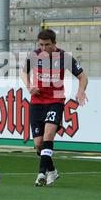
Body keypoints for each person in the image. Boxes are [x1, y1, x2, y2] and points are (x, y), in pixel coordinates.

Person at [21, 29, 88, 186]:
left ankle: (41, 175)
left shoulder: (64, 57)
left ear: (54, 44)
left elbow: (83, 76)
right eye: (41, 45)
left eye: (47, 45)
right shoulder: (34, 55)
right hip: (37, 101)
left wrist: (80, 91)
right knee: (38, 144)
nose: (43, 48)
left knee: (48, 134)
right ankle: (52, 171)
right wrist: (29, 86)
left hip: (55, 101)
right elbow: (24, 73)